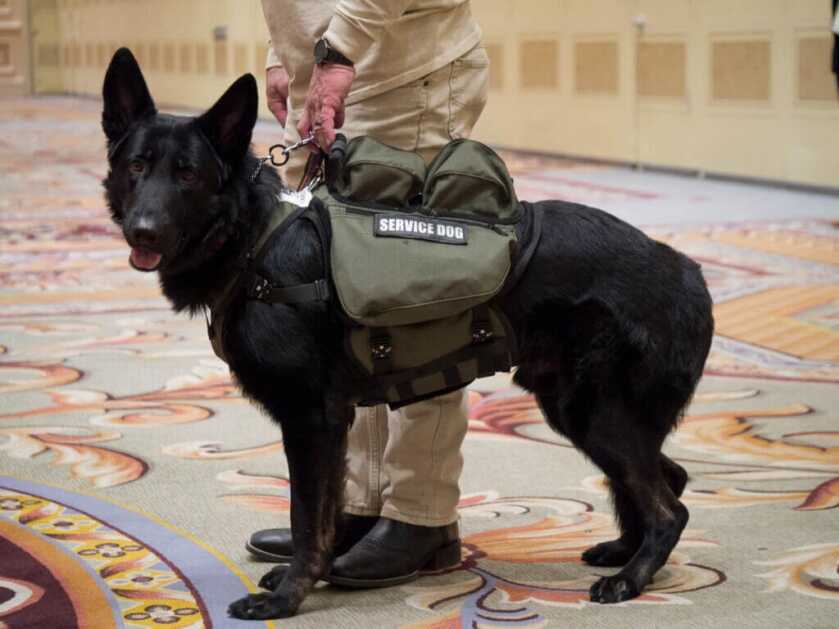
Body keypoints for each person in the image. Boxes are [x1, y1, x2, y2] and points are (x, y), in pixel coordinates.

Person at [248, 0, 489, 587]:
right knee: (339, 297)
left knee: (413, 297)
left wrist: (339, 50)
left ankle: (422, 513)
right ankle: (361, 502)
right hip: (330, 69)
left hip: (403, 71)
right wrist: (284, 53)